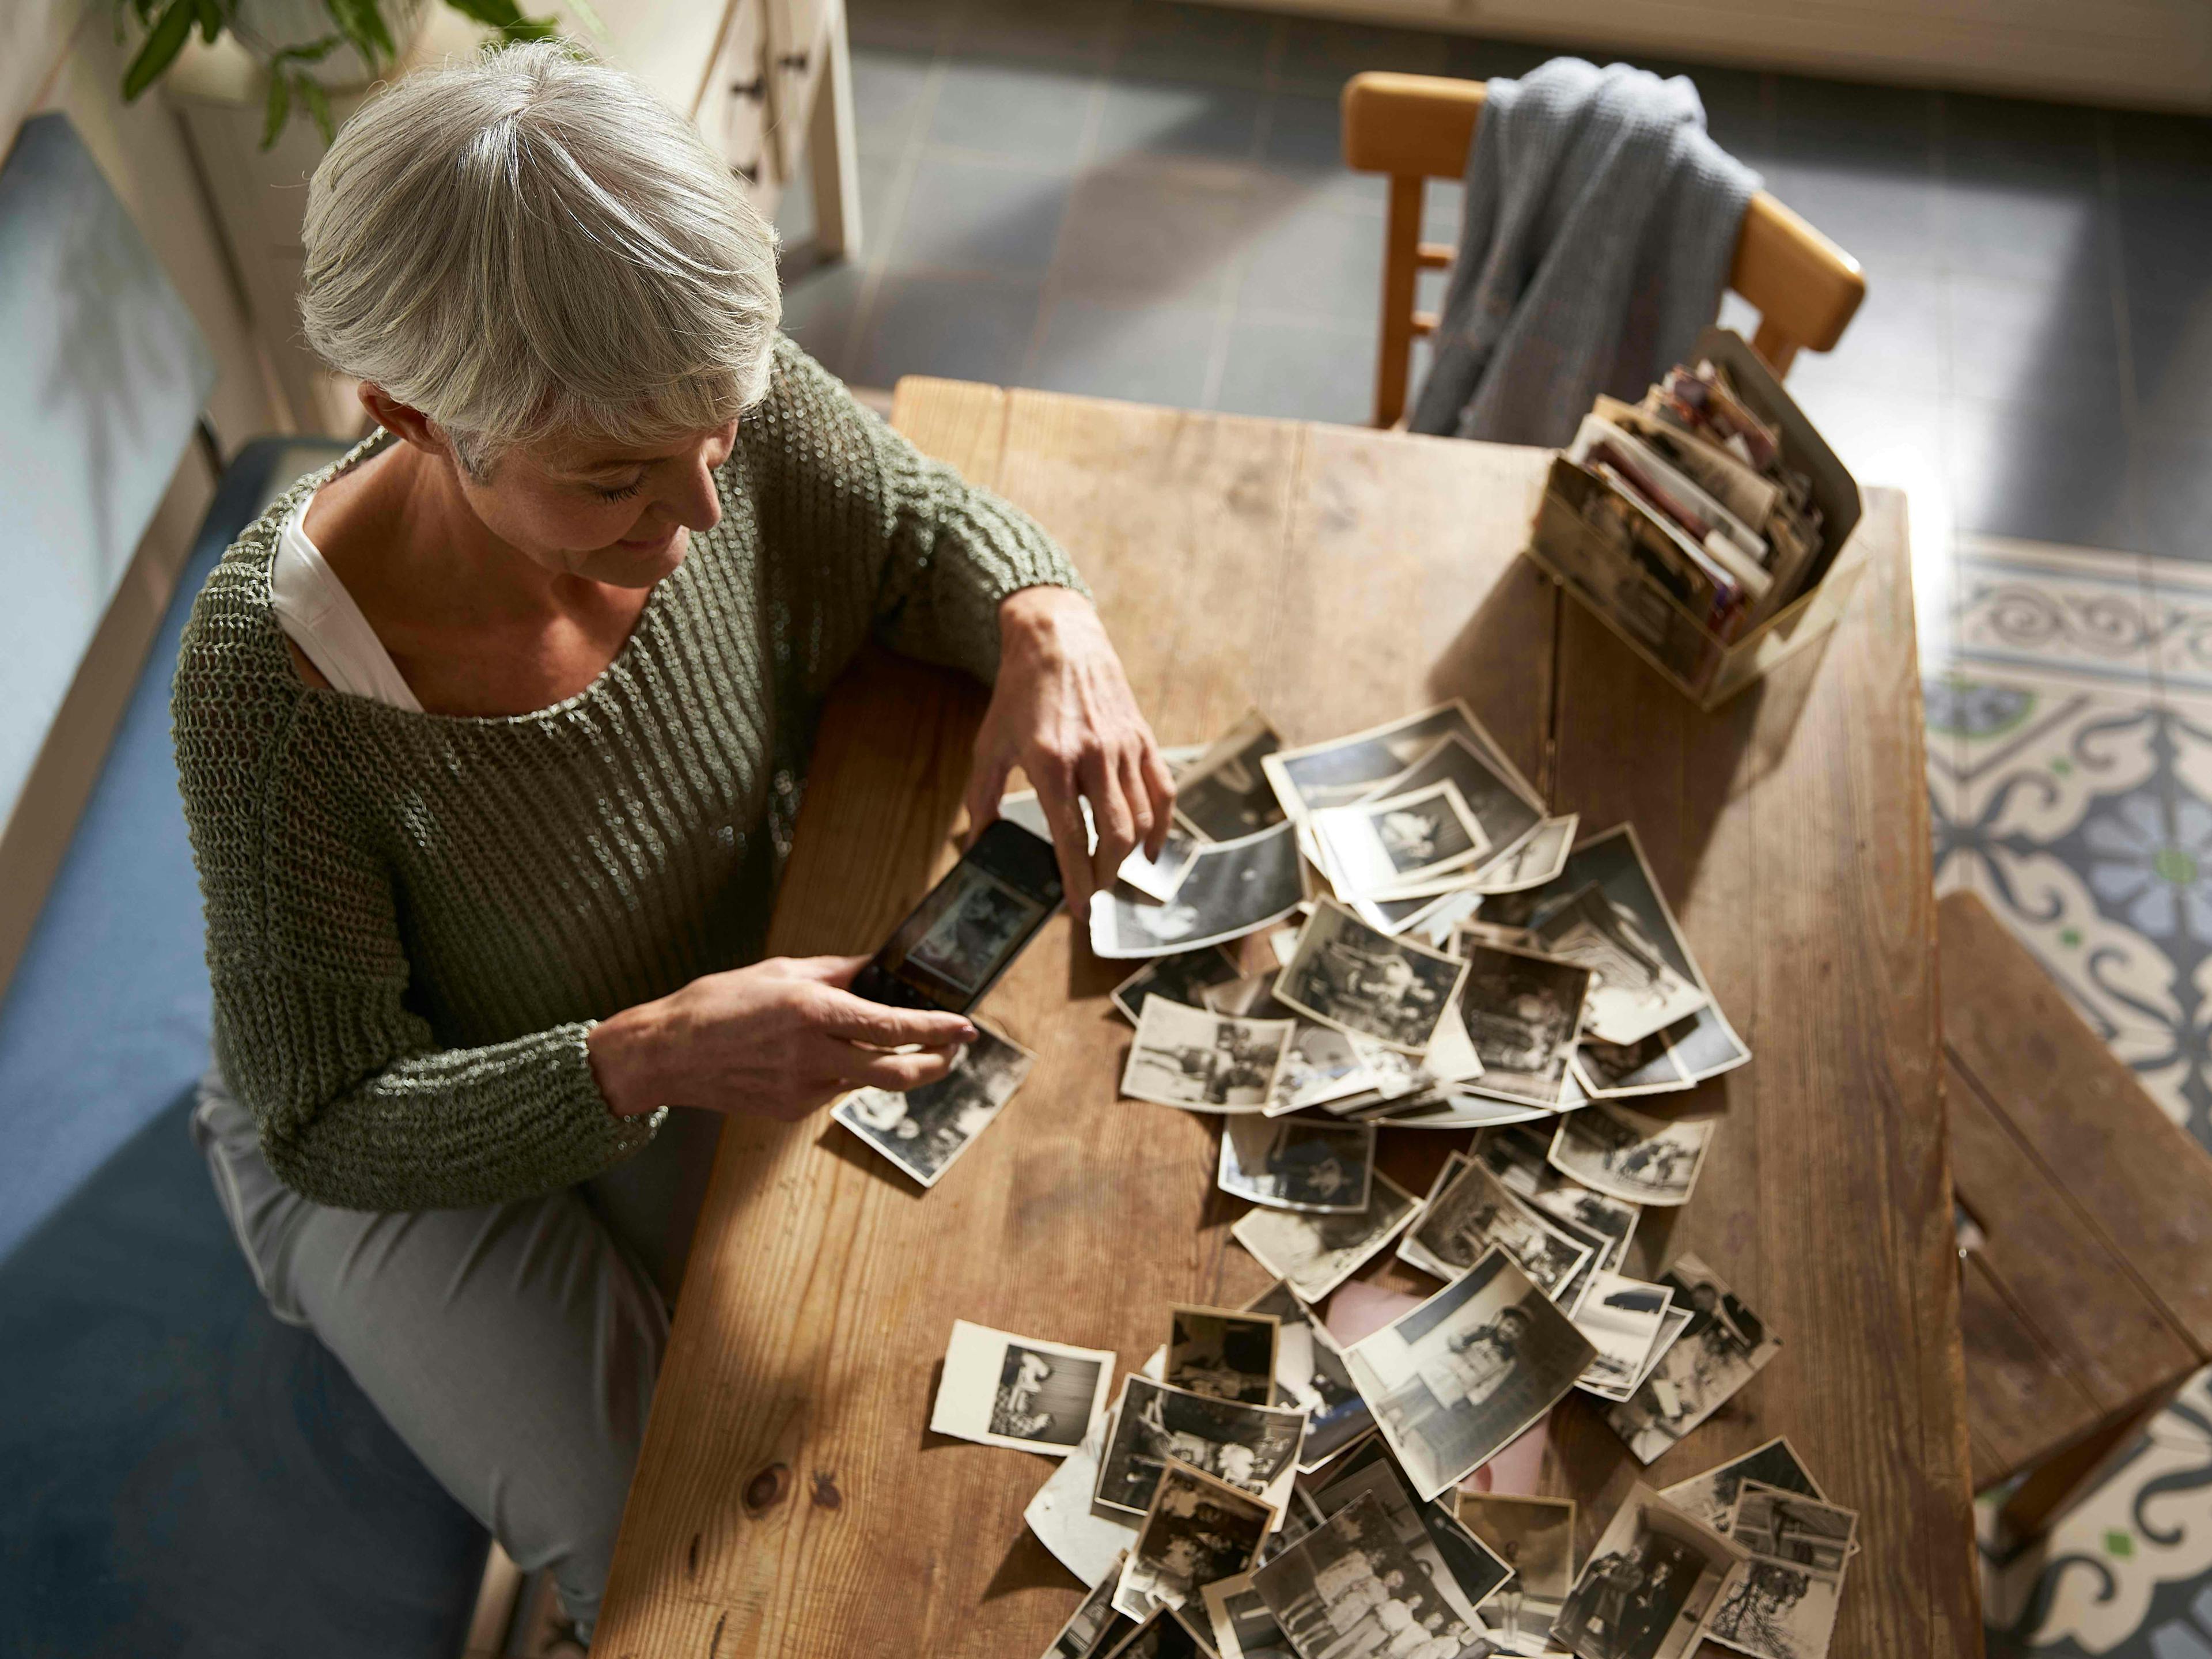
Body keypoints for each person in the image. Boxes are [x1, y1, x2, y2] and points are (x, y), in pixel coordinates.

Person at [173, 43, 1176, 1640]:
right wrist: (636, 1059)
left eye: (727, 429)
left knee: (935, 1339)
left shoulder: (692, 402)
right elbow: (327, 1120)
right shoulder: (275, 697)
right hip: (394, 1133)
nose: (706, 515)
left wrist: (1048, 618)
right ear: (407, 414)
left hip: (688, 1011)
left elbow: (912, 529)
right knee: (681, 1548)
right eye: (617, 483)